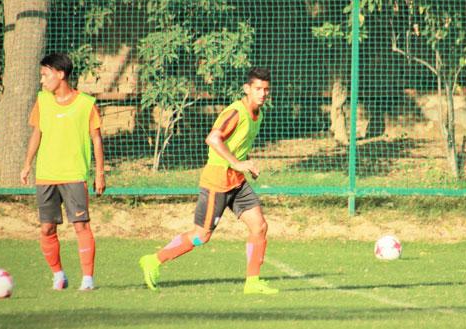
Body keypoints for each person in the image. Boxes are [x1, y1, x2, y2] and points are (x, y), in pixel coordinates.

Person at [139, 67, 278, 294]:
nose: (262, 93)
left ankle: (252, 282)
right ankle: (154, 260)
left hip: (236, 181)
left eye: (266, 89)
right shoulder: (235, 112)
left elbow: (235, 146)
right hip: (218, 179)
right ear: (247, 89)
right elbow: (213, 139)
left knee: (259, 226)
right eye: (258, 89)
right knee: (201, 236)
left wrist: (244, 164)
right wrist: (237, 163)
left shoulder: (258, 114)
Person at [20, 52, 106, 290]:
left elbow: (96, 139)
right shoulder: (42, 100)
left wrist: (100, 172)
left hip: (74, 175)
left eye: (45, 75)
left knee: (80, 226)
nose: (42, 80)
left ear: (61, 74)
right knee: (47, 227)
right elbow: (37, 132)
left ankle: (87, 278)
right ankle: (58, 274)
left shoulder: (86, 104)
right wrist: (28, 163)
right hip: (46, 175)